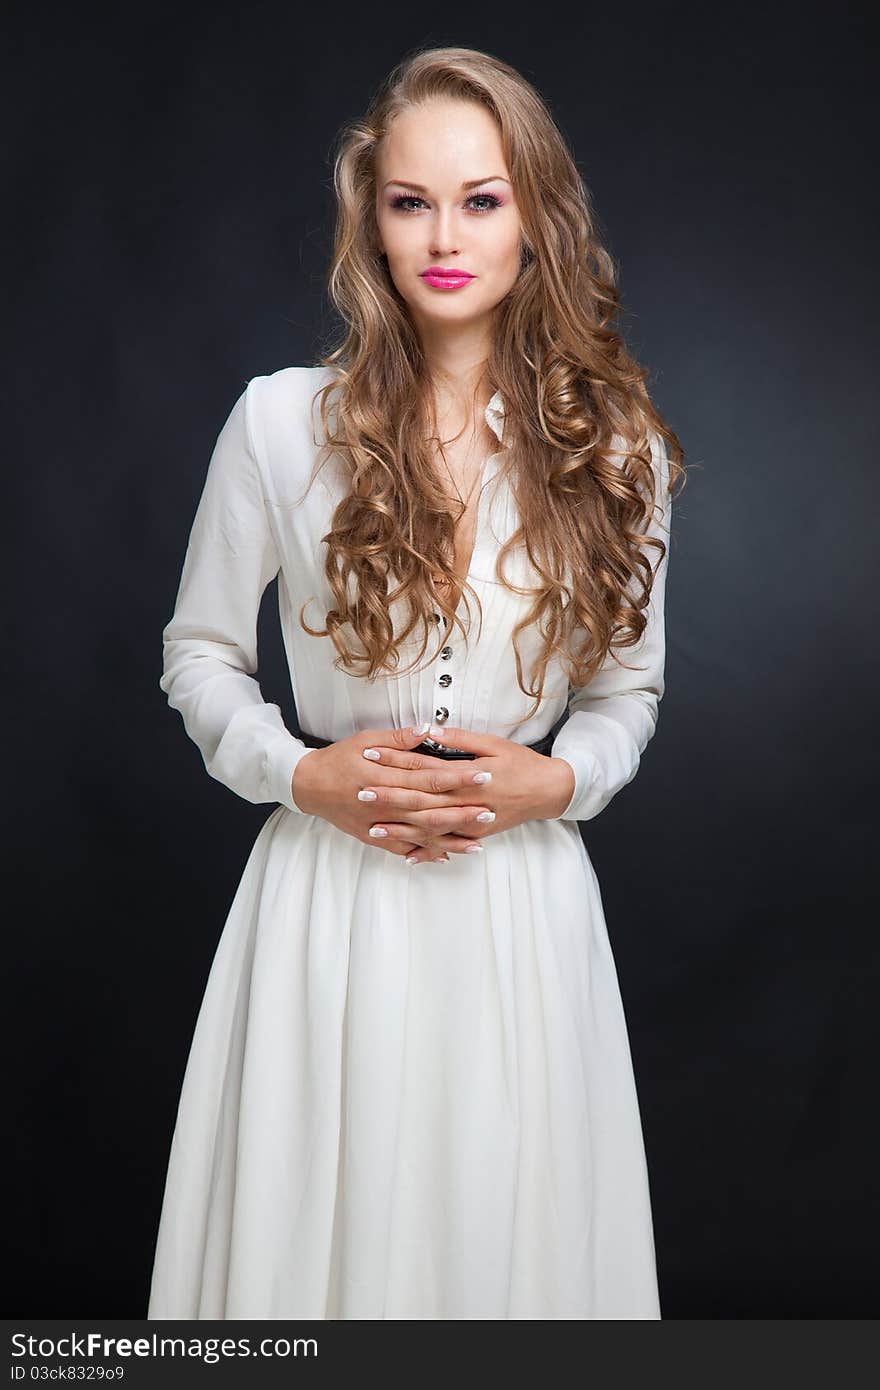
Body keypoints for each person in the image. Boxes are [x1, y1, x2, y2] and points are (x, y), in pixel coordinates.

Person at [147, 44, 684, 1320]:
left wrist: (557, 780)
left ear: (534, 219)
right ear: (371, 219)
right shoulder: (279, 423)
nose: (444, 234)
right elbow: (200, 653)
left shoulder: (619, 453)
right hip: (326, 903)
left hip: (521, 917)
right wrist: (299, 772)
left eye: (481, 199)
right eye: (410, 200)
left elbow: (628, 695)